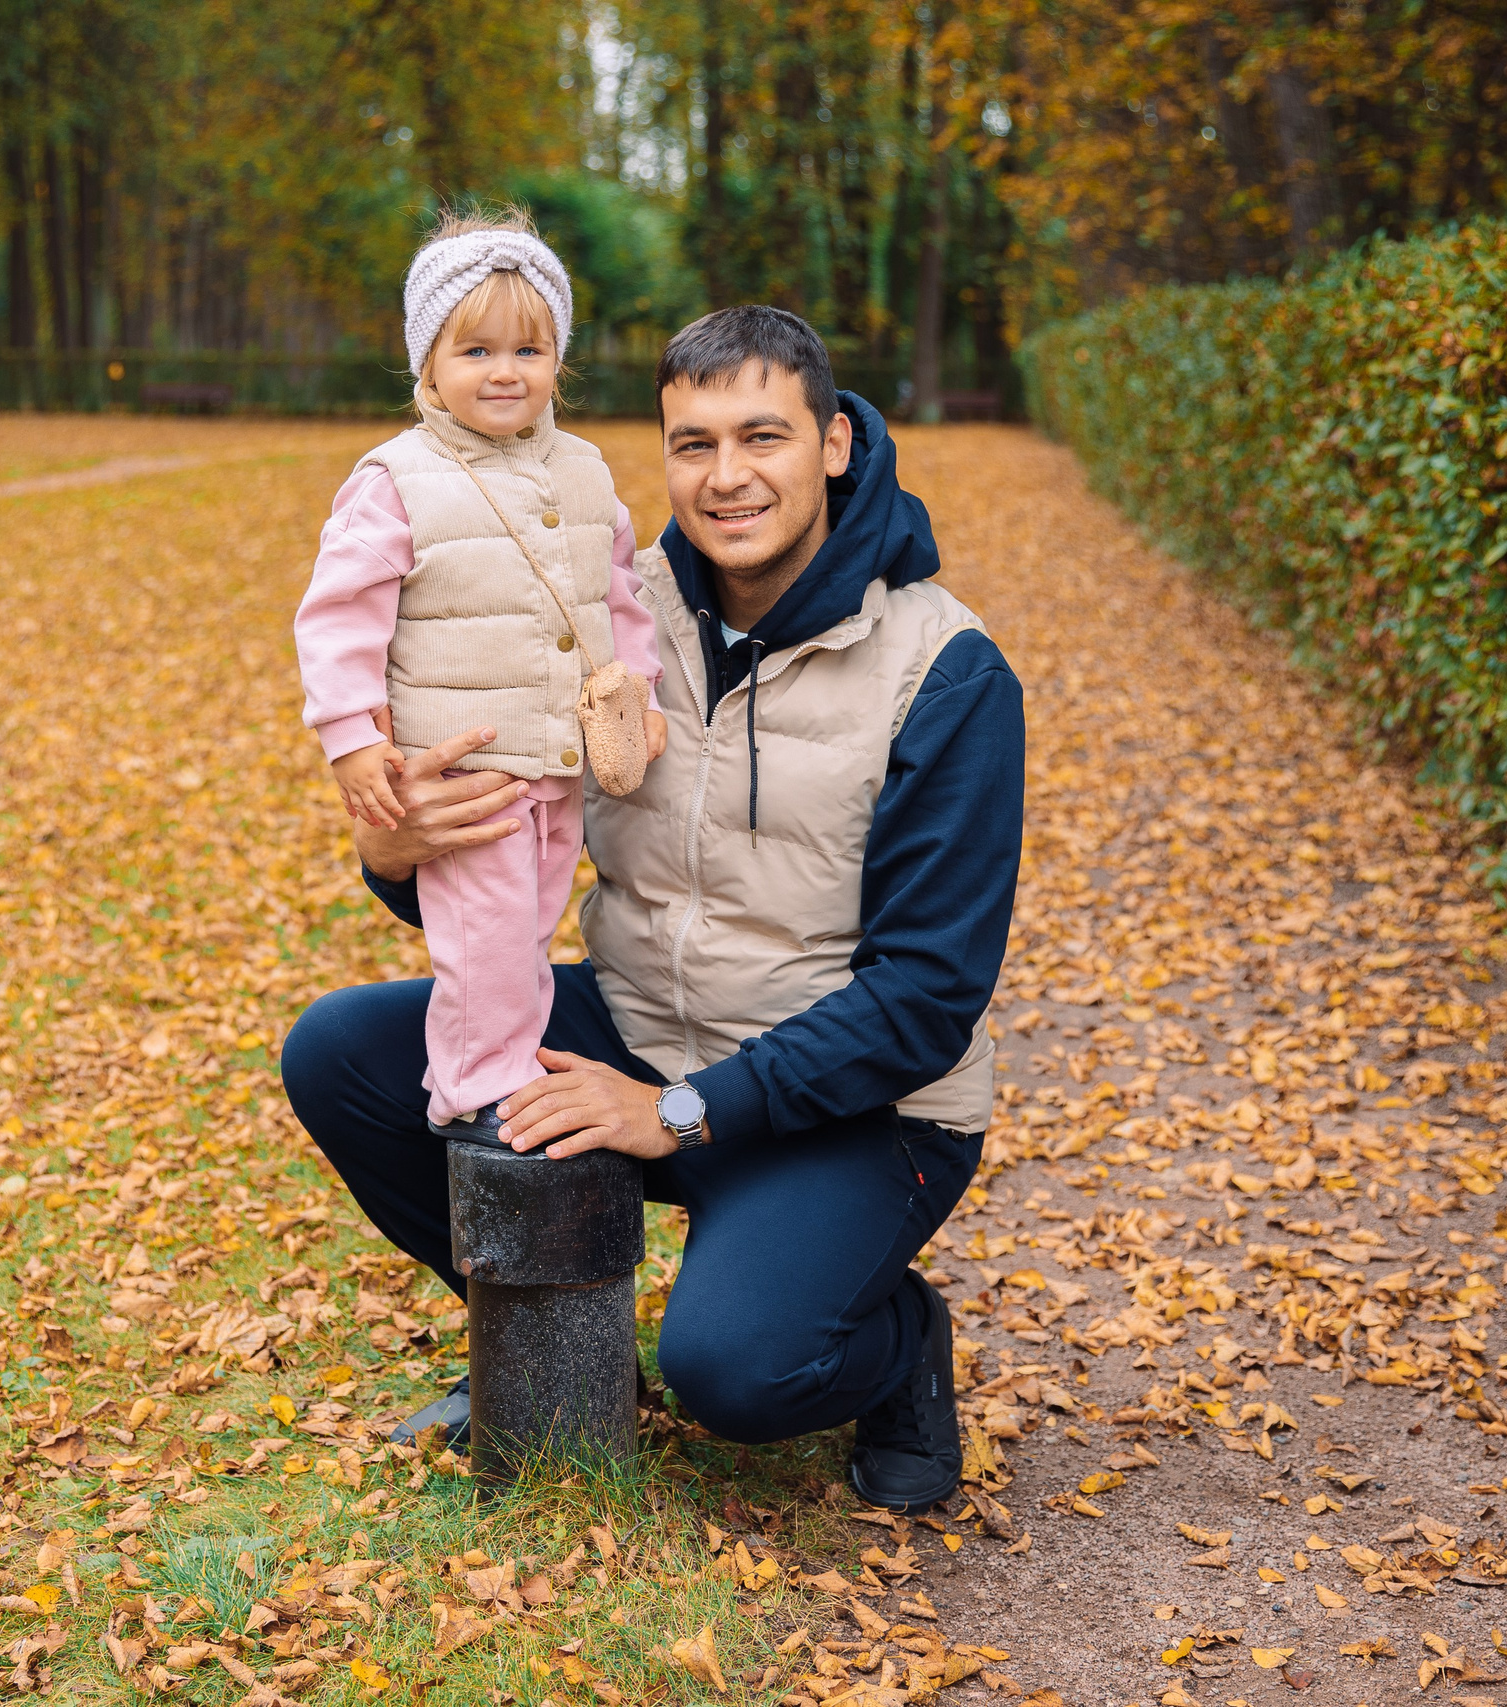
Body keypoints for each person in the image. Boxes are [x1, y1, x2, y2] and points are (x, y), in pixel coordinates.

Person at [284, 305, 1026, 1514]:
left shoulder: (943, 669)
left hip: (857, 1103)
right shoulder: (602, 613)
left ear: (835, 443)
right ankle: (550, 1342)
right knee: (342, 1055)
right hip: (640, 1018)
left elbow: (926, 997)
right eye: (691, 444)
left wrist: (675, 1112)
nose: (726, 478)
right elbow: (494, 873)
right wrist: (396, 839)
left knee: (735, 1374)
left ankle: (893, 1345)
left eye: (763, 437)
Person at [291, 208, 666, 1141]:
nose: (505, 371)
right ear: (429, 363)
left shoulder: (583, 471)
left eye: (529, 350)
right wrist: (351, 738)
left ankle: (507, 1062)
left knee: (531, 928)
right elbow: (339, 617)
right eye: (476, 351)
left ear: (558, 361)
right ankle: (473, 1090)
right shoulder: (397, 478)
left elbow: (619, 598)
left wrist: (643, 691)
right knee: (483, 939)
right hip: (467, 764)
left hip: (558, 755)